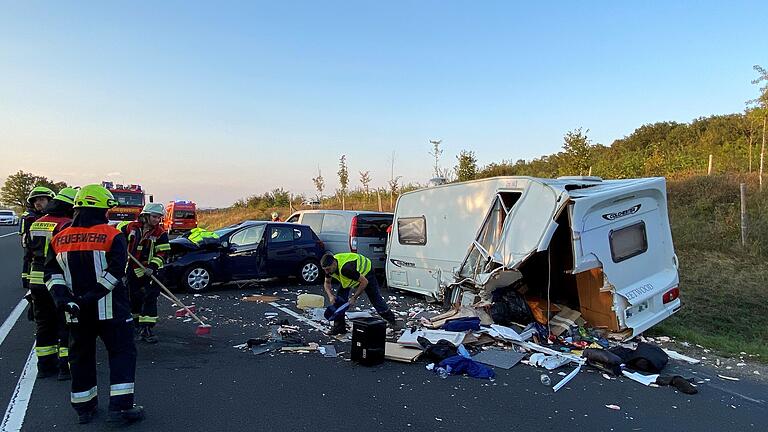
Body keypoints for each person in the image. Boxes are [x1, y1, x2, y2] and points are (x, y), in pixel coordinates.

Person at [44, 184, 144, 425]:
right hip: (111, 309)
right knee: (122, 354)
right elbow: (116, 273)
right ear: (100, 209)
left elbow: (51, 274)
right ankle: (119, 410)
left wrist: (64, 299)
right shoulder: (112, 235)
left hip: (75, 313)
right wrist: (90, 297)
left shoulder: (59, 238)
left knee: (81, 357)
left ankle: (84, 408)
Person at [27, 187, 78, 380]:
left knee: (43, 324)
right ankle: (65, 368)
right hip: (57, 280)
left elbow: (30, 253)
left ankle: (45, 367)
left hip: (36, 280)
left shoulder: (36, 223)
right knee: (65, 324)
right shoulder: (66, 225)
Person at [120, 203, 169, 344]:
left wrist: (153, 266)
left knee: (150, 298)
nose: (157, 220)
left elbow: (163, 253)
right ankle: (135, 325)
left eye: (159, 217)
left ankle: (147, 328)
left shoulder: (161, 234)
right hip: (133, 269)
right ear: (145, 216)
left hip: (151, 271)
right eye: (154, 217)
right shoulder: (131, 228)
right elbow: (118, 235)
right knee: (133, 297)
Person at [320, 252, 399, 335]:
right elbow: (327, 283)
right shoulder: (329, 268)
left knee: (375, 299)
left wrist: (354, 298)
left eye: (328, 269)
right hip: (349, 277)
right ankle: (339, 328)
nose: (326, 272)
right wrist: (330, 296)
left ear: (334, 263)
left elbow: (364, 282)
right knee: (339, 301)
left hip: (366, 272)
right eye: (324, 269)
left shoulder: (346, 269)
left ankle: (392, 321)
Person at [20, 186, 56, 290]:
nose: (37, 203)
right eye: (35, 200)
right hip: (36, 261)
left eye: (41, 199)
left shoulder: (57, 217)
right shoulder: (29, 217)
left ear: (50, 201)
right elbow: (25, 245)